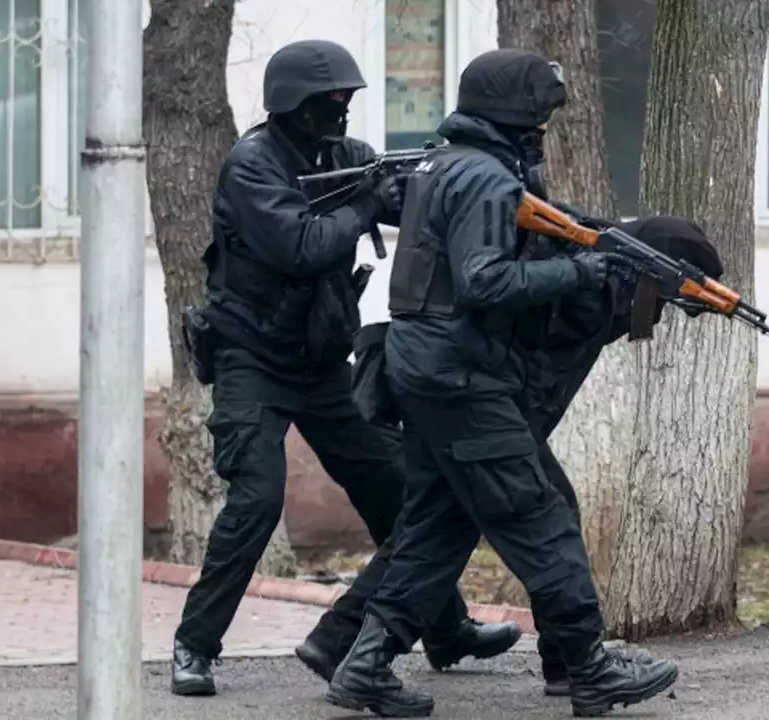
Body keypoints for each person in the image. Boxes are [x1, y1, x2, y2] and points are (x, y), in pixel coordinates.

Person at [321, 48, 682, 718]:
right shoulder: (486, 178)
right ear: (516, 111)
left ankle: (363, 667)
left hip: (426, 366)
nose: (544, 127)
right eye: (540, 113)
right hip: (460, 375)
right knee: (540, 518)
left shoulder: (445, 162)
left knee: (436, 527)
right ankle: (590, 669)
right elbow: (485, 281)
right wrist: (585, 274)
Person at [170, 39, 520, 697]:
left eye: (346, 102)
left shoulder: (346, 158)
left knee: (396, 487)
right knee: (256, 499)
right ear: (290, 106)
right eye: (326, 103)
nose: (339, 113)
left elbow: (406, 202)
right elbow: (302, 245)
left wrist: (456, 186)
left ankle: (445, 628)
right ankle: (194, 645)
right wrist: (365, 205)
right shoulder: (252, 166)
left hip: (323, 360)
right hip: (252, 357)